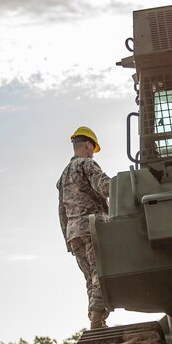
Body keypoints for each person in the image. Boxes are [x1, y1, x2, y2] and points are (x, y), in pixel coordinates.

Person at [57, 126, 111, 329]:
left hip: (73, 233)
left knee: (90, 277)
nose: (92, 153)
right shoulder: (86, 164)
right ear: (88, 144)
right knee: (100, 272)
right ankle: (97, 319)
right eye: (93, 149)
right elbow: (105, 187)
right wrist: (127, 186)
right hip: (91, 228)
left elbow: (61, 211)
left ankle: (96, 320)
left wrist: (68, 240)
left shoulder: (63, 176)